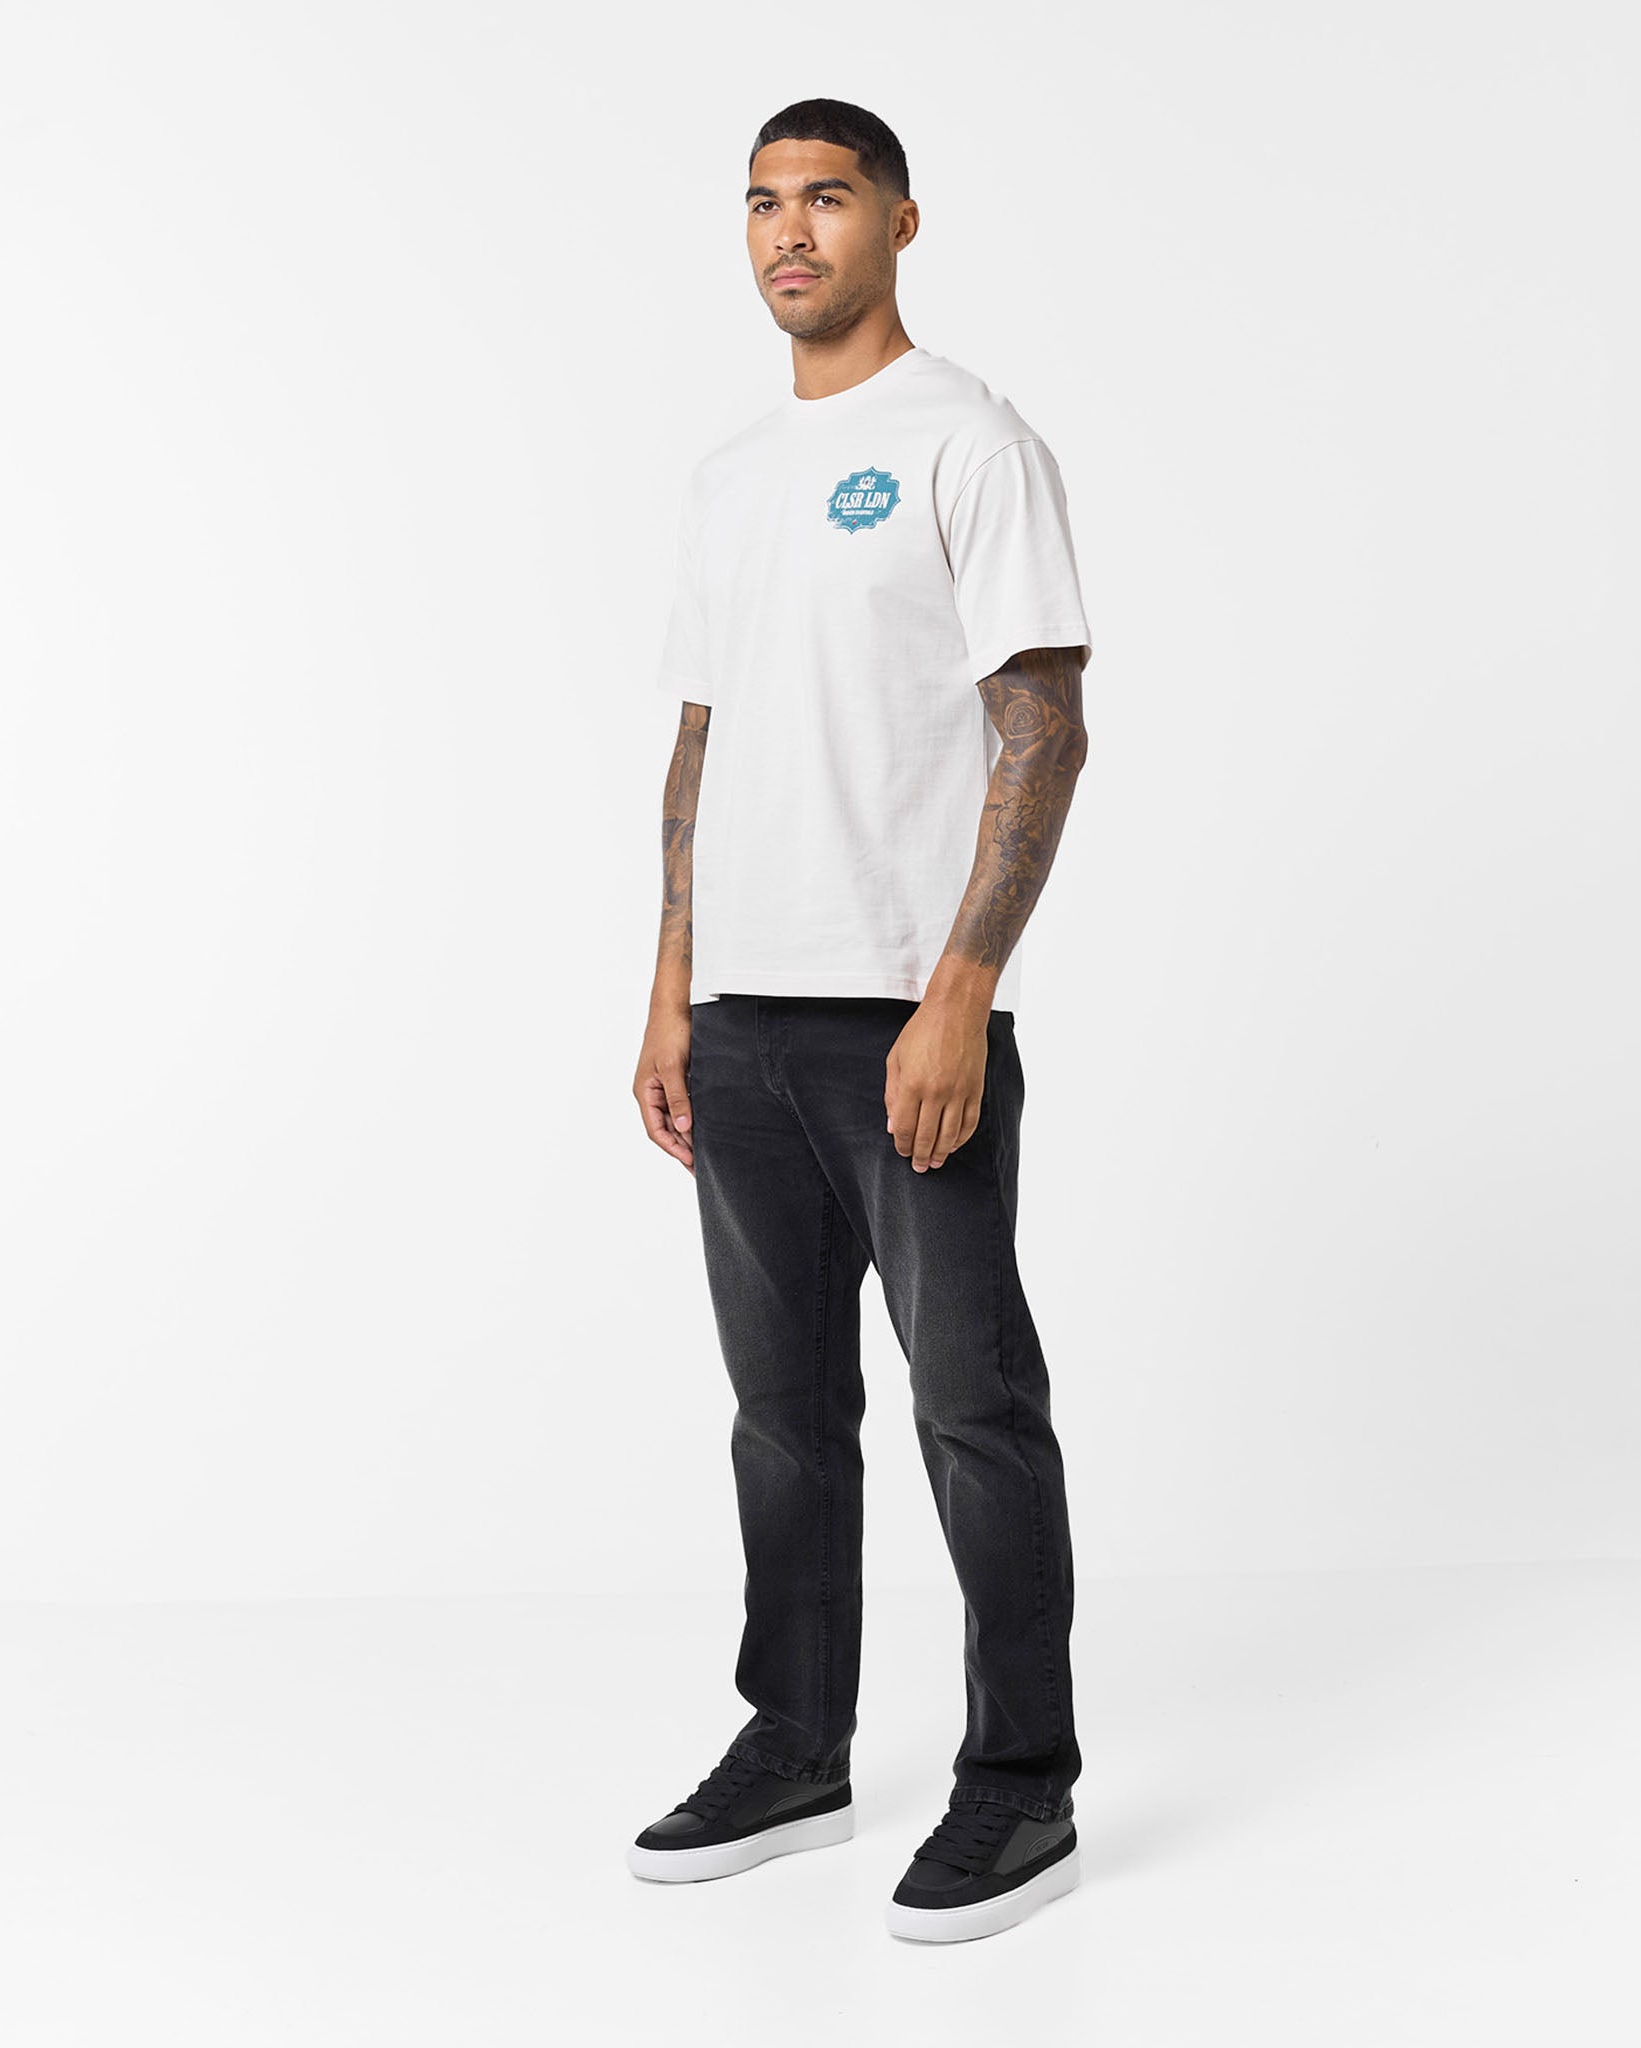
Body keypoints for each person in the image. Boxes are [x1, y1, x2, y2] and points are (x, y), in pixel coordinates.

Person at [628, 97, 1093, 1945]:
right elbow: (701, 738)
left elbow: (1044, 726)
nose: (789, 232)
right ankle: (795, 1746)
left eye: (826, 197)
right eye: (762, 202)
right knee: (782, 1415)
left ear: (899, 221)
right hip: (741, 1016)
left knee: (973, 1407)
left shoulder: (969, 442)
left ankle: (1023, 1784)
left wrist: (961, 987)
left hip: (904, 1013)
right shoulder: (731, 476)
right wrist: (669, 987)